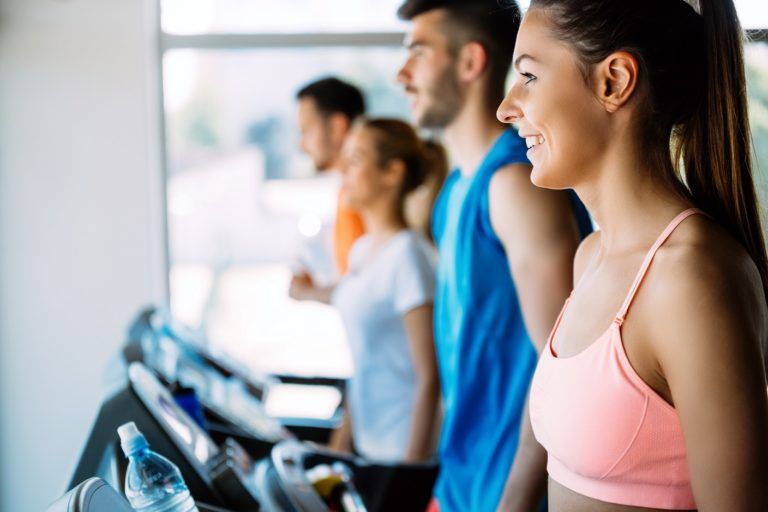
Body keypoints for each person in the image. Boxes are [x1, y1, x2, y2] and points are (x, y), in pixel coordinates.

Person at [497, 1, 768, 510]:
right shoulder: (591, 256)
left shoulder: (691, 277)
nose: (506, 107)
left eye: (529, 76)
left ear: (614, 81)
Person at [395, 1, 593, 510]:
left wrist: (513, 502)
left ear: (470, 63)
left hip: (508, 489)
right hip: (462, 481)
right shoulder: (456, 189)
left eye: (418, 53)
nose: (402, 74)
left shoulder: (513, 184)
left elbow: (561, 369)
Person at [289, 118, 447, 463]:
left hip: (400, 450)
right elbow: (364, 364)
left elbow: (430, 377)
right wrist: (338, 449)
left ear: (392, 173)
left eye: (356, 158)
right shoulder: (363, 249)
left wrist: (409, 473)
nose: (344, 169)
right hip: (368, 447)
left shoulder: (409, 256)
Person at [296, 77, 367, 277]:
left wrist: (307, 294)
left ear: (337, 127)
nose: (301, 145)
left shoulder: (363, 198)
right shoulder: (346, 192)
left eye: (306, 131)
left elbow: (367, 290)